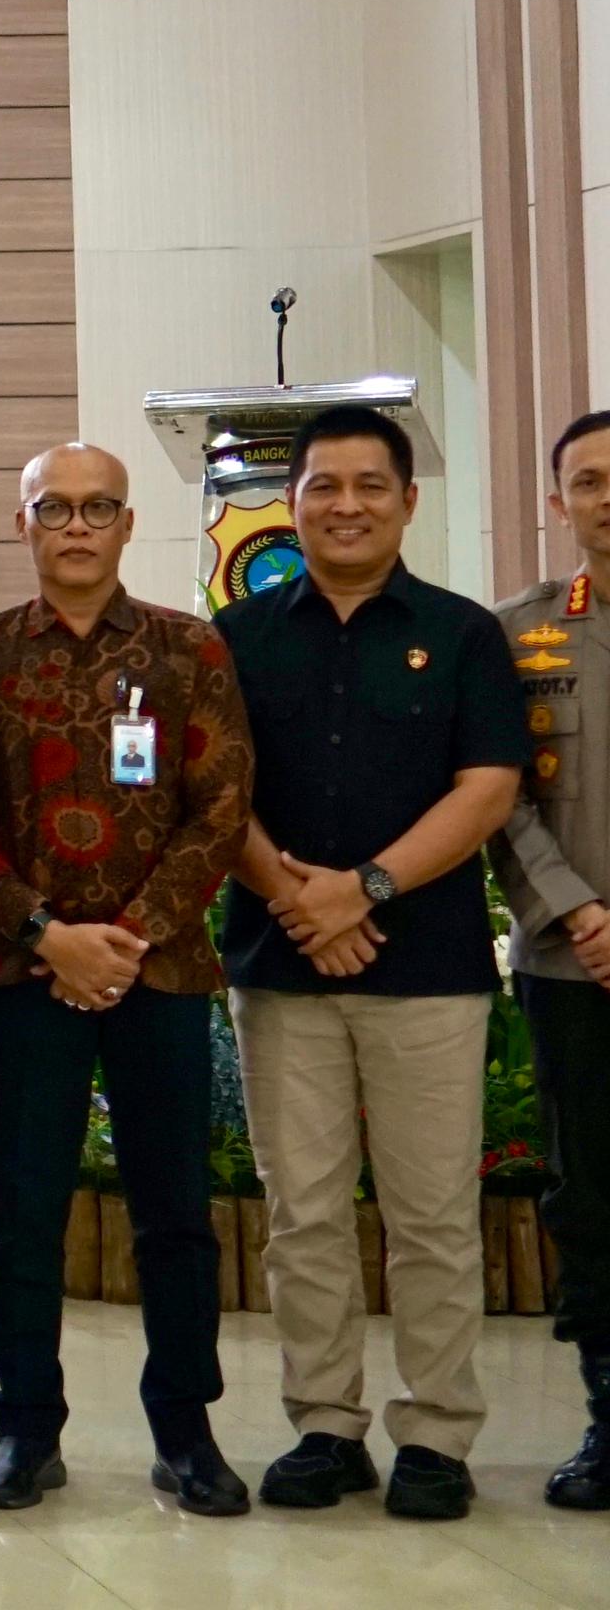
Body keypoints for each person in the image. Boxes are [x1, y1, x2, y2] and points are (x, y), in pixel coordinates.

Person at [215, 404, 522, 1520]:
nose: (343, 505)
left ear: (405, 500)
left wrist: (364, 888)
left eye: (367, 485)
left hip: (424, 969)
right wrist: (298, 897)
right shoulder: (236, 636)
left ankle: (435, 1431)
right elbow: (215, 796)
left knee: (431, 1212)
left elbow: (486, 786)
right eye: (322, 486)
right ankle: (324, 1423)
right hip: (280, 965)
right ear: (290, 502)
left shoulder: (460, 633)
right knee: (300, 1213)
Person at [0, 443, 258, 1514]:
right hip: (20, 971)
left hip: (158, 971)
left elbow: (217, 811)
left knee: (173, 1214)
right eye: (53, 508)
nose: (74, 526)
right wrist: (45, 935)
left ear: (127, 524)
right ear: (20, 522)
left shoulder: (187, 650)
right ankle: (24, 1430)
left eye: (96, 508)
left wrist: (122, 938)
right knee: (23, 1210)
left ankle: (184, 1430)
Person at [493, 408, 610, 1512]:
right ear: (557, 501)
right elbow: (503, 801)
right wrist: (576, 911)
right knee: (590, 1196)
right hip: (574, 967)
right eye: (585, 480)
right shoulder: (521, 635)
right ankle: (606, 1413)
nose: (606, 496)